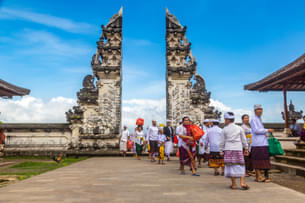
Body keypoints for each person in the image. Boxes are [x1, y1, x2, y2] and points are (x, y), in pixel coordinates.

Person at [220, 112, 249, 190]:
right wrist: (246, 148)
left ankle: (234, 184)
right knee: (241, 165)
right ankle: (242, 183)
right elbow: (244, 139)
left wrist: (221, 150)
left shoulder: (224, 129)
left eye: (225, 120)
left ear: (227, 120)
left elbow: (222, 141)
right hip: (238, 149)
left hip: (228, 149)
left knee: (231, 166)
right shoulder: (239, 128)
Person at [250, 104, 274, 183]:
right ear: (255, 111)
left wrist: (265, 132)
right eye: (258, 109)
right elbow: (256, 130)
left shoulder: (259, 119)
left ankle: (258, 176)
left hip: (262, 142)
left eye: (261, 109)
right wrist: (267, 130)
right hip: (258, 143)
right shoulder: (254, 119)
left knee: (262, 160)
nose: (260, 111)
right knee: (258, 160)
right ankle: (259, 176)